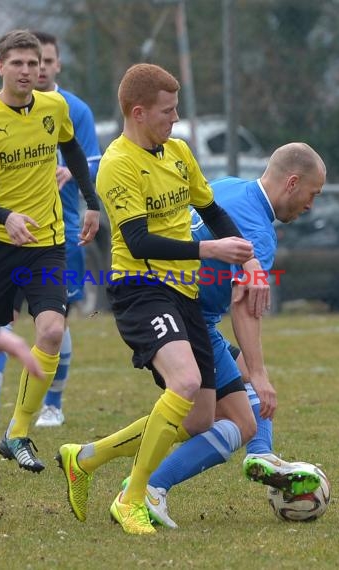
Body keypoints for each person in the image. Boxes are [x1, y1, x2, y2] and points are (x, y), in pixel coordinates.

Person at [56, 63, 269, 535]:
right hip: (141, 290)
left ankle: (85, 458)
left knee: (210, 419)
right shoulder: (117, 164)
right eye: (168, 112)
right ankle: (132, 499)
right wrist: (210, 250)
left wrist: (249, 260)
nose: (175, 120)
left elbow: (209, 208)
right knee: (186, 381)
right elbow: (137, 241)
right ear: (138, 112)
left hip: (183, 294)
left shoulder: (177, 152)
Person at [128, 142, 327, 528]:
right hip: (189, 317)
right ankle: (147, 487)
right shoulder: (259, 234)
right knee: (231, 420)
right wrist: (263, 374)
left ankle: (261, 454)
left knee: (216, 409)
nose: (311, 205)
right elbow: (244, 305)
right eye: (312, 194)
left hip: (161, 301)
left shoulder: (229, 187)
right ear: (292, 182)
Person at [0, 29, 100, 475]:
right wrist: (4, 215)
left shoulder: (55, 107)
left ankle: (18, 433)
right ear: (0, 67)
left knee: (50, 331)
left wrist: (91, 203)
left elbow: (70, 144)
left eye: (35, 64)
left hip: (47, 242)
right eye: (18, 64)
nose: (29, 71)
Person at [0, 30, 102, 429]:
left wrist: (79, 181)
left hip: (59, 233)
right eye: (29, 62)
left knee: (52, 323)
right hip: (4, 234)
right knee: (1, 317)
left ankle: (53, 403)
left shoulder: (71, 109)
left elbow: (91, 159)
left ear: (56, 64)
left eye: (44, 62)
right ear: (6, 66)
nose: (37, 69)